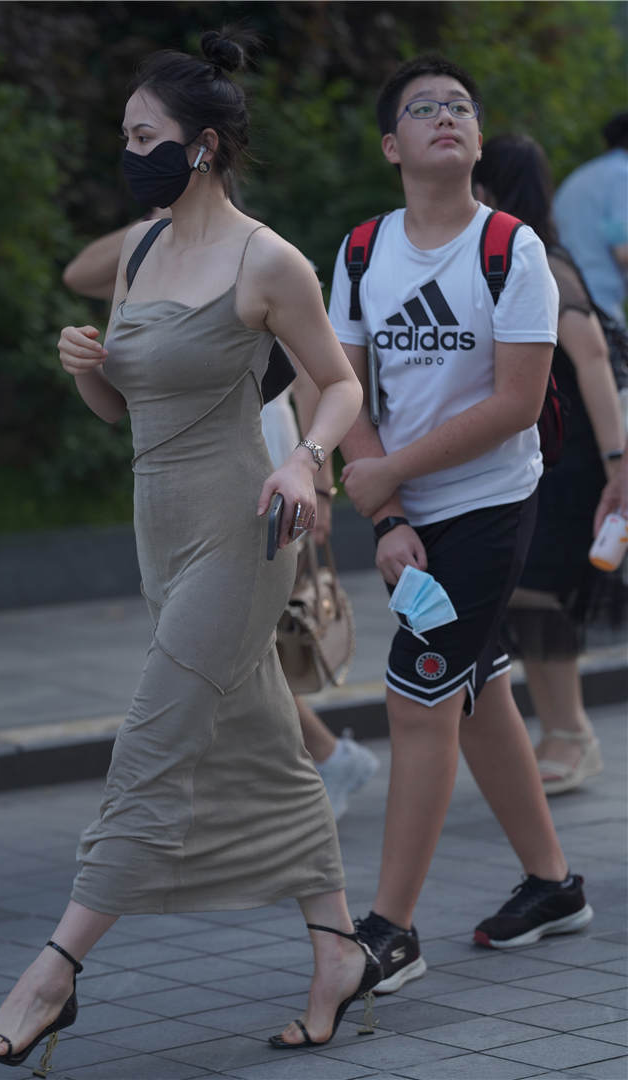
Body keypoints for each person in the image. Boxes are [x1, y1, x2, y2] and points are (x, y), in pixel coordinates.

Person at [0, 29, 376, 1069]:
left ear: (202, 146)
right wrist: (85, 368)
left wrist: (306, 462)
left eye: (145, 136)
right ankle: (338, 949)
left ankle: (51, 977)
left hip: (243, 528)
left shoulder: (266, 259)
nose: (129, 152)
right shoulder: (140, 254)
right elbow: (122, 411)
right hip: (161, 531)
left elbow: (340, 382)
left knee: (149, 746)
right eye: (126, 135)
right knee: (267, 745)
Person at [328, 55, 593, 991]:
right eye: (423, 108)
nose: (445, 115)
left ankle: (391, 931)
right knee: (475, 694)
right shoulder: (362, 252)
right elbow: (346, 388)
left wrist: (388, 475)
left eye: (460, 107)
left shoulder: (512, 249)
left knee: (417, 701)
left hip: (489, 507)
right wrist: (389, 515)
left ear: (477, 140)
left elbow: (517, 403)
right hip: (409, 513)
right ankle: (554, 886)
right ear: (391, 145)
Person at [64, 224, 378, 821]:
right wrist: (155, 223)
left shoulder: (265, 257)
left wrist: (316, 475)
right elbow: (78, 277)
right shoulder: (148, 253)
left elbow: (322, 378)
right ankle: (305, 786)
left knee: (224, 648)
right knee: (239, 654)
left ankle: (288, 781)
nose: (145, 173)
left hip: (263, 466)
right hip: (173, 493)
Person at [473, 134, 625, 795]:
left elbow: (592, 358)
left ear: (492, 186)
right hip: (543, 452)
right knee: (528, 594)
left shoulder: (542, 260)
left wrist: (618, 463)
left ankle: (572, 734)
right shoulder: (511, 253)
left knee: (539, 593)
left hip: (573, 457)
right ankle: (561, 731)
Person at [553, 113, 628, 326]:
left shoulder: (584, 175)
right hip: (599, 302)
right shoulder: (623, 176)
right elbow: (623, 250)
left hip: (563, 295)